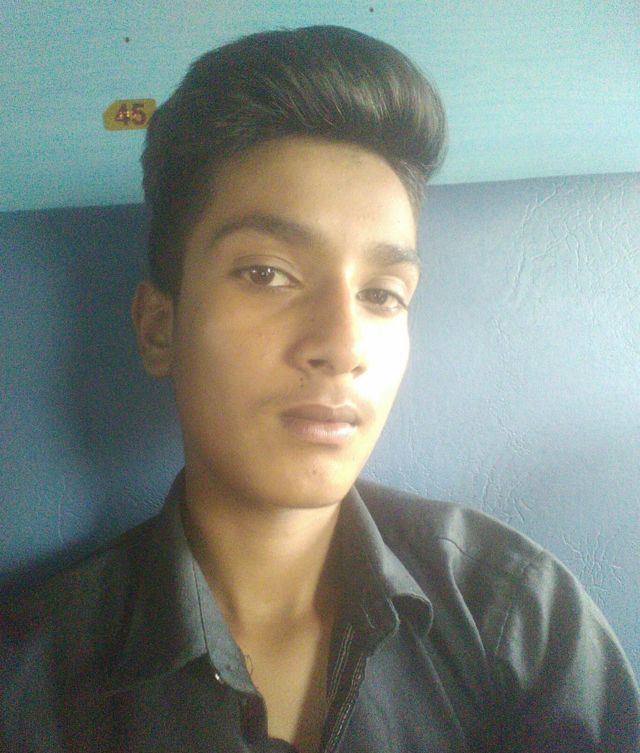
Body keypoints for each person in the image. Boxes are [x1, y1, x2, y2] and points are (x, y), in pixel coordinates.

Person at [1, 25, 638, 753]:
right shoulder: (31, 683)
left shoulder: (516, 616)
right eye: (267, 273)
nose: (342, 346)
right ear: (159, 328)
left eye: (382, 294)